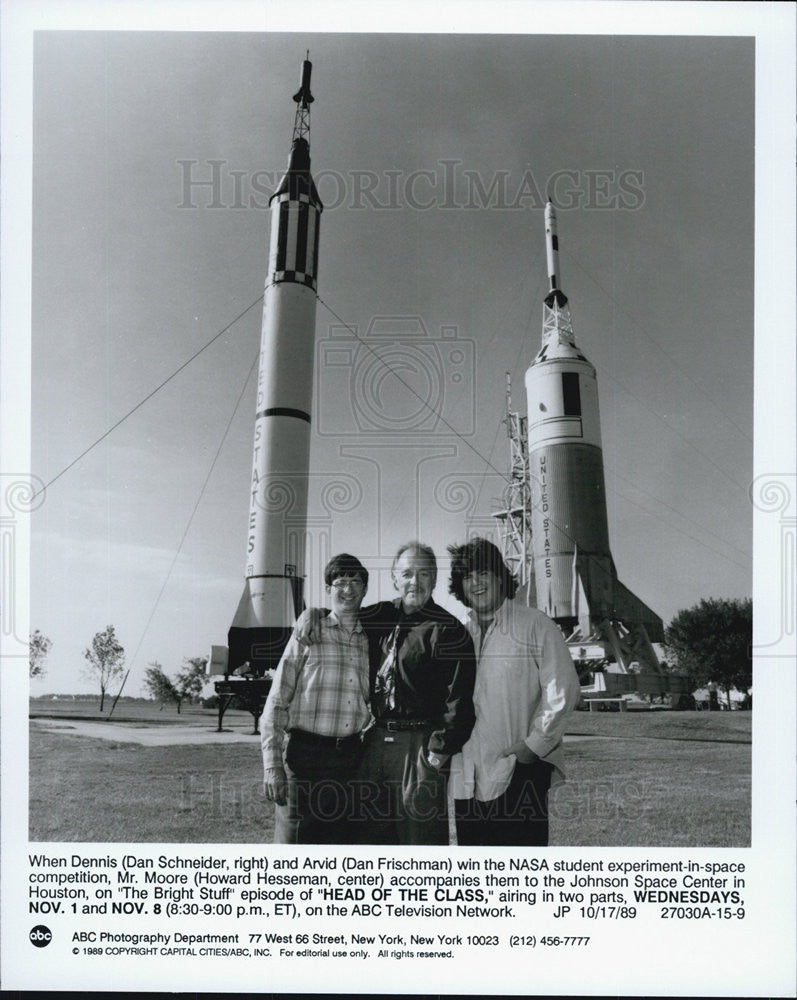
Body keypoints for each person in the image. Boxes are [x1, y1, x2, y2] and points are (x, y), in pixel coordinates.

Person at [296, 542, 476, 845]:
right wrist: (312, 613)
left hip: (420, 746)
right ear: (394, 578)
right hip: (376, 741)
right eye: (406, 574)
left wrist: (437, 754)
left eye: (423, 574)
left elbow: (458, 699)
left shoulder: (449, 630)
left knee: (419, 840)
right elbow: (340, 613)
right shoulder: (379, 615)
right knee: (368, 836)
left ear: (434, 578)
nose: (414, 582)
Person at [447, 538, 581, 846]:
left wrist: (534, 746)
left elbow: (563, 689)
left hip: (520, 772)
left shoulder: (534, 624)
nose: (476, 582)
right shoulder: (458, 635)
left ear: (500, 577)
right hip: (468, 778)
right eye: (467, 576)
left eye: (483, 572)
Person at [260, 553, 371, 844]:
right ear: (327, 589)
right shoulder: (308, 633)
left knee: (337, 847)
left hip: (349, 761)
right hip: (304, 758)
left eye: (356, 582)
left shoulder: (370, 640)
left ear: (365, 590)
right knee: (294, 845)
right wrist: (272, 766)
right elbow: (276, 701)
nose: (348, 589)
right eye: (340, 582)